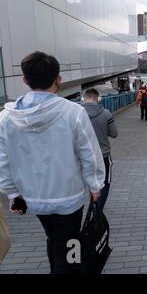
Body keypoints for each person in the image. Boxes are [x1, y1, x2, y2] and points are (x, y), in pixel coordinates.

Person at [0, 52, 105, 274]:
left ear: (25, 80)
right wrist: (95, 185)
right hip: (69, 198)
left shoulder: (6, 118)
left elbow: (3, 160)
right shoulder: (73, 112)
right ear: (58, 79)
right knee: (68, 246)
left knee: (53, 238)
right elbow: (89, 152)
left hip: (33, 198)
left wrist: (11, 193)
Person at [81, 88, 119, 212]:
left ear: (83, 98)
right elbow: (114, 134)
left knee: (89, 182)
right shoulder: (106, 113)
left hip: (83, 156)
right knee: (105, 183)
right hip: (103, 154)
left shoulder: (76, 113)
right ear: (98, 98)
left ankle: (93, 204)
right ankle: (98, 210)